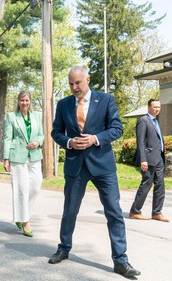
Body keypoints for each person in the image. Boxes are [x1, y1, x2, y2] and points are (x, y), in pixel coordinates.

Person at [49, 66, 140, 277]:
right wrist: (70, 142)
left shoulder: (106, 100)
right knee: (69, 211)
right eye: (71, 84)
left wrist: (95, 139)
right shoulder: (63, 105)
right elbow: (56, 132)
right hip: (75, 166)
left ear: (87, 80)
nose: (74, 88)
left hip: (103, 166)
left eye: (78, 83)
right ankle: (63, 248)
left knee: (114, 212)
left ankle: (121, 261)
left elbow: (116, 128)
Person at [3, 90, 43, 237]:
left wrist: (38, 142)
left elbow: (41, 134)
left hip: (34, 155)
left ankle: (21, 214)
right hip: (17, 156)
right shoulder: (12, 117)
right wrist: (6, 159)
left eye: (27, 100)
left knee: (36, 187)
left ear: (30, 101)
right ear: (18, 102)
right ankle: (25, 221)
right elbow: (8, 138)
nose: (24, 103)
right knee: (22, 189)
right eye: (22, 100)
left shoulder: (37, 116)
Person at [129, 99, 169, 222]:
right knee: (146, 184)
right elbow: (140, 141)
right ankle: (135, 211)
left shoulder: (156, 121)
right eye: (155, 107)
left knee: (160, 185)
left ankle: (156, 212)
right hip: (148, 159)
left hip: (159, 158)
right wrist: (143, 160)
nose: (157, 109)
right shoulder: (143, 121)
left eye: (159, 107)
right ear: (148, 108)